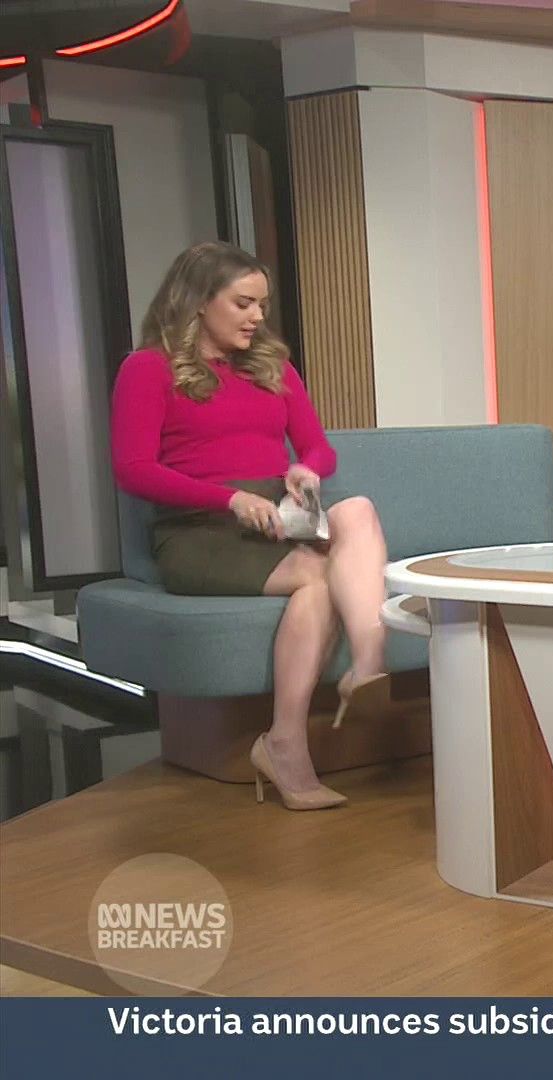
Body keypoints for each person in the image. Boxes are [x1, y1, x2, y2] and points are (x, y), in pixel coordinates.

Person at [110, 242, 394, 812]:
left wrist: (306, 469)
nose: (257, 317)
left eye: (262, 304)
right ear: (199, 301)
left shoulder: (272, 367)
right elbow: (132, 469)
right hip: (198, 530)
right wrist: (229, 499)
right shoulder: (147, 369)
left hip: (274, 519)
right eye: (243, 303)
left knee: (357, 509)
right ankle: (285, 744)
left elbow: (317, 446)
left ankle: (368, 667)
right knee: (318, 576)